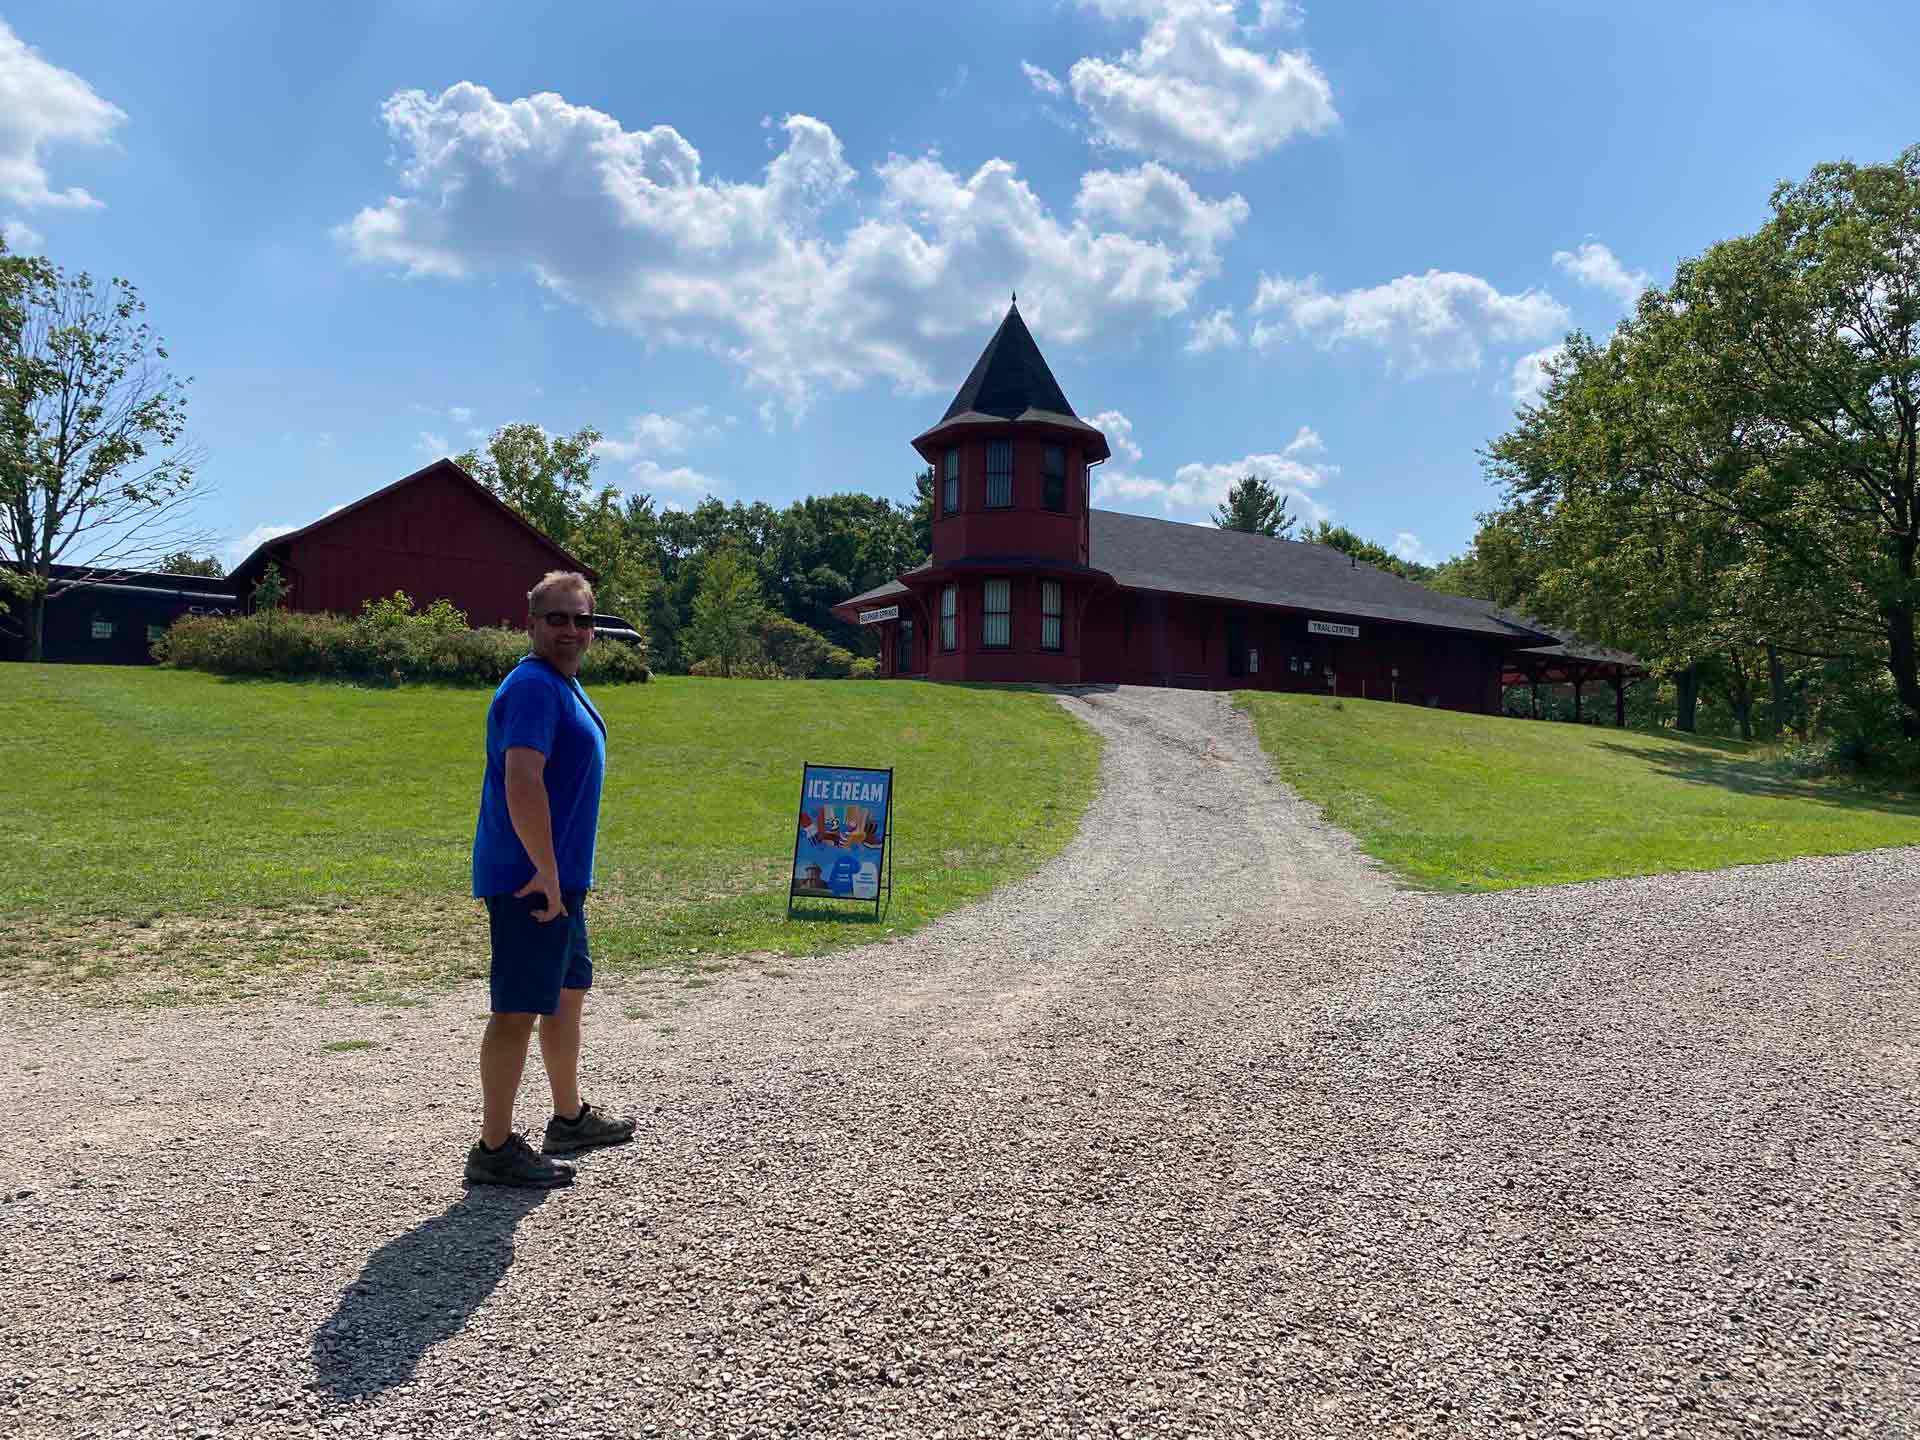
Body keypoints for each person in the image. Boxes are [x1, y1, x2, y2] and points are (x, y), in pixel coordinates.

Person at [465, 570, 636, 1187]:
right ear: (530, 623)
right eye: (556, 618)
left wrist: (562, 875)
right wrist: (543, 869)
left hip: (559, 879)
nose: (570, 630)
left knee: (565, 995)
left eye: (581, 619)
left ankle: (567, 1118)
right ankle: (494, 1148)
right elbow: (522, 779)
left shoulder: (565, 684)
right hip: (530, 879)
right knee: (518, 1007)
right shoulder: (535, 687)